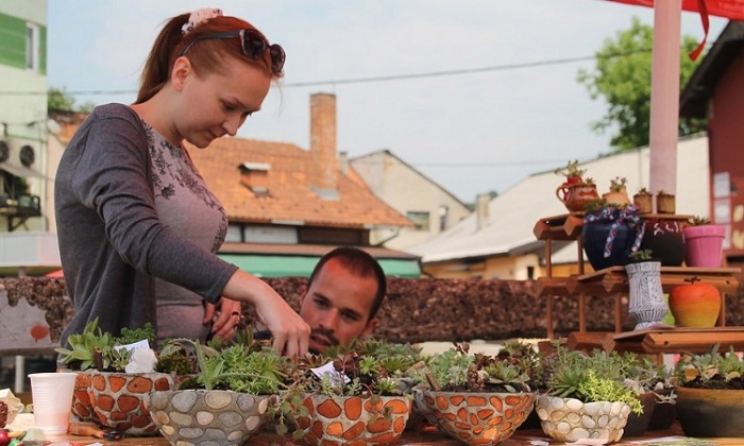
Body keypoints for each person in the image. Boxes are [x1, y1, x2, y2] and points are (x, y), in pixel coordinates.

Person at [54, 8, 309, 357]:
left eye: (246, 114)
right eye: (229, 105)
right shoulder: (111, 127)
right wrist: (253, 288)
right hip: (117, 381)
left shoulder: (180, 152)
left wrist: (219, 291)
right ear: (182, 73)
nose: (234, 127)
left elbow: (180, 263)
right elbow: (137, 234)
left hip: (186, 382)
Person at [257, 247, 387, 354]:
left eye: (348, 316)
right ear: (303, 296)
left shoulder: (377, 379)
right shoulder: (249, 349)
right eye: (321, 303)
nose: (328, 324)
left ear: (368, 328)